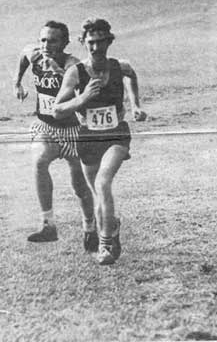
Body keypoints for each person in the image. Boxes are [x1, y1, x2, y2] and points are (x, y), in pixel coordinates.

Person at [53, 18, 147, 265]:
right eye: (91, 43)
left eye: (101, 42)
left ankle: (105, 244)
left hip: (116, 133)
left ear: (109, 42)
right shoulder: (76, 72)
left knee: (103, 183)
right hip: (88, 137)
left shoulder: (120, 66)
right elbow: (57, 110)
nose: (96, 48)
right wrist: (82, 98)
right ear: (83, 42)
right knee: (98, 193)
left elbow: (131, 75)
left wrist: (135, 105)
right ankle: (112, 225)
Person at [13, 21, 97, 250]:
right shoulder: (35, 55)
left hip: (73, 129)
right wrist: (17, 82)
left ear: (65, 43)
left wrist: (62, 74)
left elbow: (85, 97)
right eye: (43, 40)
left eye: (53, 41)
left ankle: (90, 228)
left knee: (79, 184)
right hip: (46, 126)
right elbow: (24, 54)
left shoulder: (73, 65)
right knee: (40, 161)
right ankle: (48, 225)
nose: (46, 45)